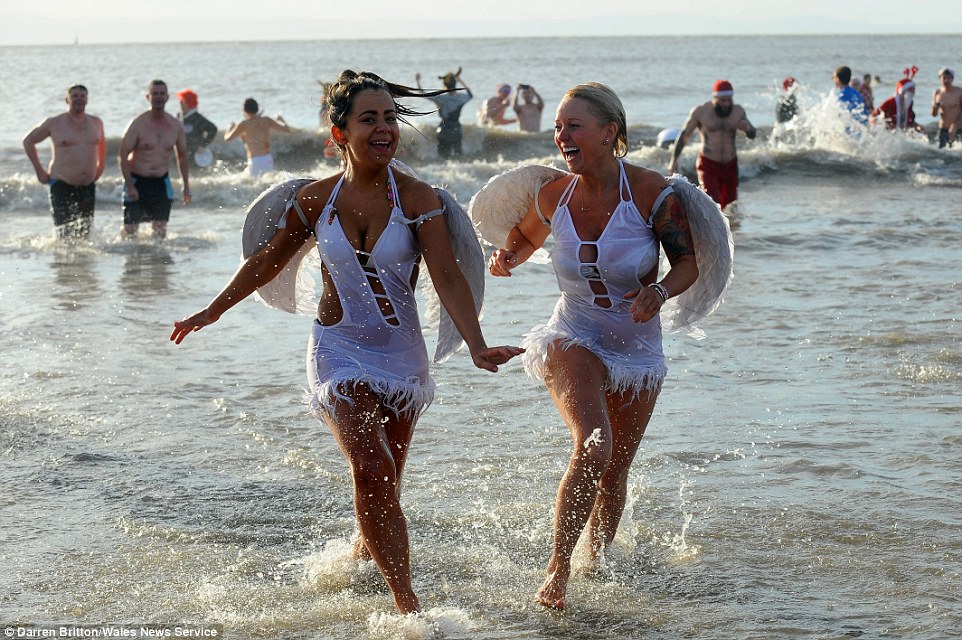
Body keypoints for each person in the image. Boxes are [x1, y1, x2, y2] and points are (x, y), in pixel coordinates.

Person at [171, 70, 523, 615]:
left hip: (402, 356)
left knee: (387, 479)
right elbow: (266, 261)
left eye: (390, 118)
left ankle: (362, 556)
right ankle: (408, 607)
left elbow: (448, 276)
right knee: (372, 467)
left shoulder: (418, 198)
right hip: (337, 349)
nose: (384, 128)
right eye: (369, 119)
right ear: (340, 133)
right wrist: (212, 310)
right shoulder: (316, 200)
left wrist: (475, 345)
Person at [489, 82, 700, 611]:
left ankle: (596, 561)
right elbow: (525, 237)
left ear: (610, 133)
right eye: (558, 127)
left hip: (637, 349)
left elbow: (687, 263)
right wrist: (506, 256)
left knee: (614, 470)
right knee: (593, 445)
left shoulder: (653, 193)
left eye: (573, 126)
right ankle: (558, 569)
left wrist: (659, 291)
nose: (562, 135)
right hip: (573, 334)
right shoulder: (553, 195)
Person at [23, 84, 106, 240]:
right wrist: (40, 171)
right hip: (61, 184)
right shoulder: (54, 123)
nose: (79, 99)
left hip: (87, 185)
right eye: (74, 96)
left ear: (87, 100)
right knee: (64, 234)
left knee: (85, 234)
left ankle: (82, 258)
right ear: (67, 100)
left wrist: (100, 168)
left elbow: (101, 144)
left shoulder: (96, 122)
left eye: (82, 96)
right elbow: (28, 141)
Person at [668, 79, 756, 210]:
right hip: (708, 164)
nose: (727, 104)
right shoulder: (701, 112)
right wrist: (674, 160)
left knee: (730, 205)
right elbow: (684, 136)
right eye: (723, 100)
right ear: (715, 98)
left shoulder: (737, 111)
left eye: (729, 100)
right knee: (712, 204)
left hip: (730, 165)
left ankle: (731, 224)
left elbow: (753, 133)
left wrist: (747, 129)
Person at [119, 79, 190, 239]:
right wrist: (129, 185)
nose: (158, 97)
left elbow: (182, 156)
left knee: (160, 233)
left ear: (167, 97)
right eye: (155, 93)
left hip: (161, 183)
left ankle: (156, 256)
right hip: (137, 181)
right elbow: (123, 155)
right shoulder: (137, 124)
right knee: (130, 231)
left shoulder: (175, 125)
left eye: (161, 93)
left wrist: (186, 185)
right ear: (148, 97)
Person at [223, 98, 292, 176]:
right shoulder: (267, 120)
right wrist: (281, 119)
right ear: (257, 108)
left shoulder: (244, 124)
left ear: (245, 110)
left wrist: (229, 128)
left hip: (254, 160)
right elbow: (287, 130)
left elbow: (228, 138)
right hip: (267, 158)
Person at [415, 68, 473, 158]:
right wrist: (460, 80)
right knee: (459, 156)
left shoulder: (441, 98)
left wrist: (418, 81)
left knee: (443, 157)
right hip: (457, 131)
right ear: (455, 83)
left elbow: (424, 94)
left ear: (445, 84)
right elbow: (470, 95)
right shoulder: (461, 97)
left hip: (443, 131)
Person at [176, 89, 218, 168]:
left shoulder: (198, 118)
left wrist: (203, 145)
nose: (180, 102)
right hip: (180, 153)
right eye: (180, 100)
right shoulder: (179, 116)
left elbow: (213, 129)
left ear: (189, 102)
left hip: (195, 155)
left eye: (182, 100)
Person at [932, 68, 962, 148]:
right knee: (940, 152)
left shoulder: (959, 92)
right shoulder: (937, 92)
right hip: (943, 129)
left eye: (948, 78)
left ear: (952, 79)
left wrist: (954, 126)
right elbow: (933, 114)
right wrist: (936, 106)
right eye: (944, 78)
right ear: (940, 79)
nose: (946, 80)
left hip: (958, 128)